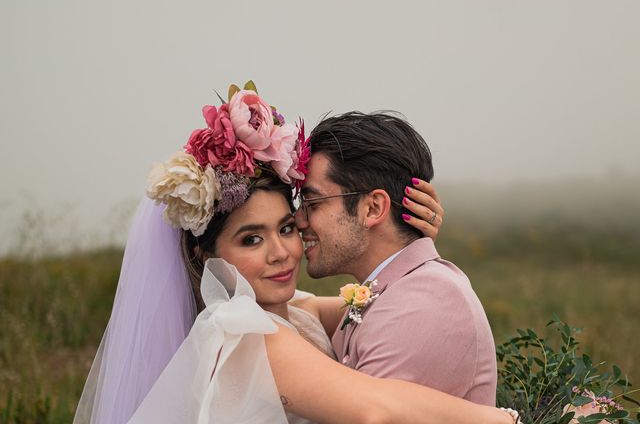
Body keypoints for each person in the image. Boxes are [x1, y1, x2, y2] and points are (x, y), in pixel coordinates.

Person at [74, 84, 519, 424]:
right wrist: (509, 419)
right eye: (251, 238)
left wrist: (413, 235)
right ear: (205, 254)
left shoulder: (293, 310)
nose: (285, 247)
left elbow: (384, 295)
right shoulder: (241, 328)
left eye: (287, 224)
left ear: (372, 207)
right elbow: (375, 409)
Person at [293, 112, 498, 404]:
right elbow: (302, 308)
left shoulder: (422, 303)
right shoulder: (395, 286)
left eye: (312, 202)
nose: (298, 220)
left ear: (373, 208)